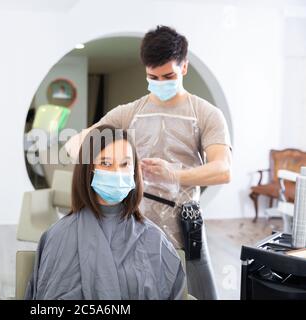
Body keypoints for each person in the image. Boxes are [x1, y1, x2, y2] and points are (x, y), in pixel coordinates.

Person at [63, 26, 232, 300]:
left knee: (199, 294)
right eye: (152, 77)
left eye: (168, 76)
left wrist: (175, 175)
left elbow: (222, 170)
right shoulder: (130, 112)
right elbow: (78, 142)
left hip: (183, 226)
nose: (160, 83)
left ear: (184, 67)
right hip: (134, 225)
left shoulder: (206, 114)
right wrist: (91, 153)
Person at [25, 125, 186, 300]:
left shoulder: (155, 239)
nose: (117, 172)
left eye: (125, 164)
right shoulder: (58, 237)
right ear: (88, 169)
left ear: (135, 170)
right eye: (106, 163)